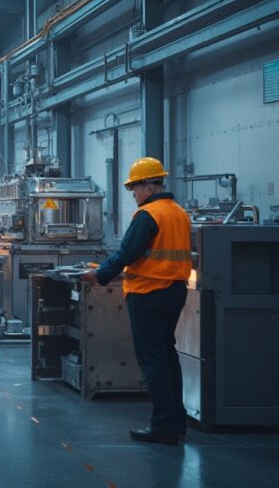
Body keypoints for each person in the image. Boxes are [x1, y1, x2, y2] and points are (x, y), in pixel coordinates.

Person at [80, 157, 191, 445]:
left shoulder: (148, 215)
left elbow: (128, 252)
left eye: (135, 188)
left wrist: (99, 274)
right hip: (175, 291)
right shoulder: (179, 212)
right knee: (167, 355)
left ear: (149, 186)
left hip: (148, 292)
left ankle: (163, 427)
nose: (133, 194)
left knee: (153, 359)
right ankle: (177, 421)